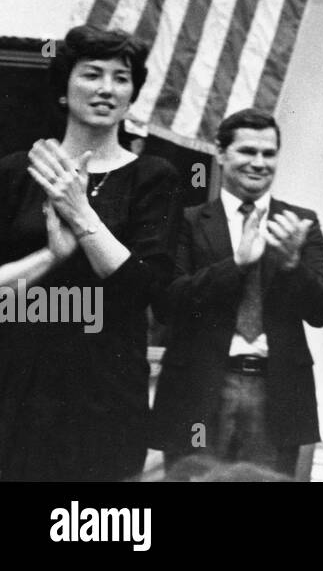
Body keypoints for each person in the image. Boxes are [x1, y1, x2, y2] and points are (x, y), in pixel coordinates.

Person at [0, 25, 182, 481]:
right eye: (92, 74)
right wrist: (51, 256)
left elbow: (144, 288)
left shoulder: (154, 178)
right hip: (16, 379)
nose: (106, 88)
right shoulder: (14, 173)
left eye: (121, 78)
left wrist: (81, 214)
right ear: (64, 87)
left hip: (106, 386)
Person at [151, 108, 323, 480]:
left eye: (268, 154)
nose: (259, 162)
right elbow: (167, 304)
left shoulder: (299, 223)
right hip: (199, 390)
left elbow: (322, 311)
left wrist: (290, 265)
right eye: (247, 151)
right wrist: (235, 265)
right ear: (220, 153)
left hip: (276, 392)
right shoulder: (187, 220)